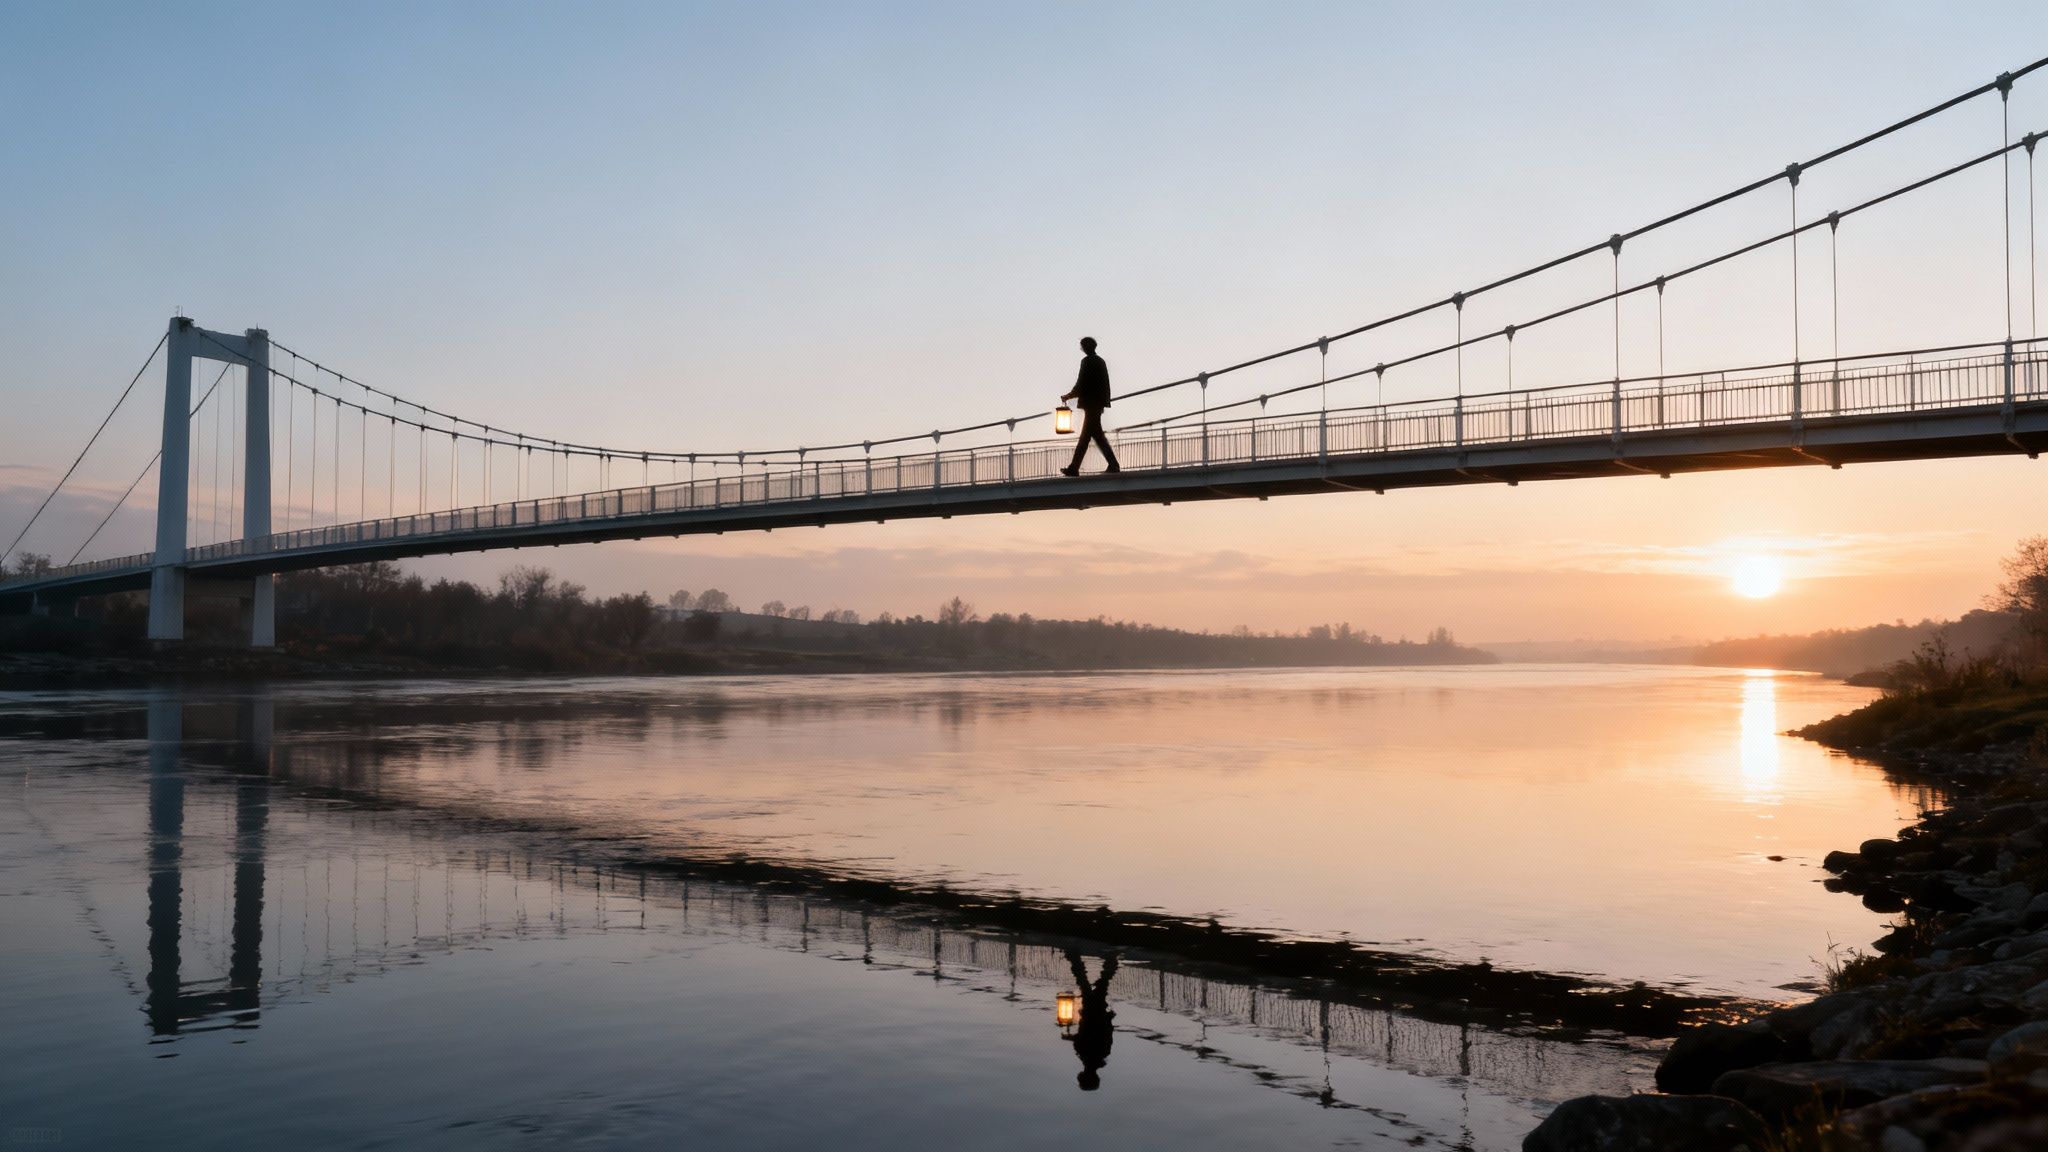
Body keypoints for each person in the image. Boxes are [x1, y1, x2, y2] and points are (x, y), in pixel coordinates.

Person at [1060, 337, 1121, 476]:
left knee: (1087, 437)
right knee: (1095, 436)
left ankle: (1075, 468)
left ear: (1085, 347)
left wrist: (1068, 396)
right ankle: (1111, 464)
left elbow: (1081, 383)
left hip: (1090, 404)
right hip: (1098, 404)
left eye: (1081, 346)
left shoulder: (1087, 362)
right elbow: (1104, 385)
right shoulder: (1100, 361)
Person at [1065, 949, 1119, 1091]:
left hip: (1098, 1013)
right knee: (1086, 982)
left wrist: (1109, 1018)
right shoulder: (1084, 1054)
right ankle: (1074, 956)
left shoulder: (1102, 1055)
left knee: (1100, 984)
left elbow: (1107, 1034)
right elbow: (1085, 1035)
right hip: (1091, 1013)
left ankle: (1110, 961)